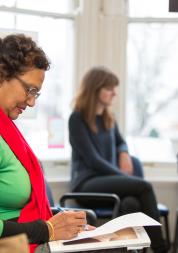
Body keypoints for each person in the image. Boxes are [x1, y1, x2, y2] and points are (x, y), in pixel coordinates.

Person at [0, 34, 94, 253]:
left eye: (36, 94)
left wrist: (64, 223)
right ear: (3, 73)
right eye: (29, 90)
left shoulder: (7, 129)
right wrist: (47, 229)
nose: (32, 102)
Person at [69, 66, 168, 253]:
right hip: (86, 184)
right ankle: (161, 248)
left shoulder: (109, 118)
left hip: (107, 181)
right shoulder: (77, 119)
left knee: (131, 202)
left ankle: (127, 250)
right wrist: (124, 177)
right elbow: (93, 160)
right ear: (95, 89)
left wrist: (123, 152)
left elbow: (121, 142)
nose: (114, 93)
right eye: (109, 88)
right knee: (143, 186)